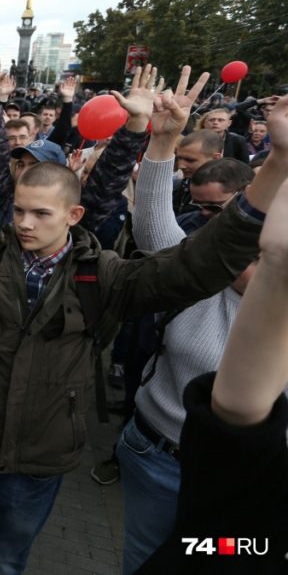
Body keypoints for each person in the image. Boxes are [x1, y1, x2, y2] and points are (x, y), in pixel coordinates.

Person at [0, 65, 270, 575]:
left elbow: (192, 268)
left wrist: (258, 183)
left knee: (6, 561)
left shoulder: (105, 277)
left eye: (40, 213)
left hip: (42, 456)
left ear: (74, 216)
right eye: (19, 210)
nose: (23, 223)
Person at [118, 93, 288, 574]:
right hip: (154, 455)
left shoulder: (277, 297)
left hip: (239, 488)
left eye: (222, 214)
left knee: (202, 560)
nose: (206, 225)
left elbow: (242, 406)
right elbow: (154, 234)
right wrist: (164, 140)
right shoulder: (198, 271)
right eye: (205, 214)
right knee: (144, 562)